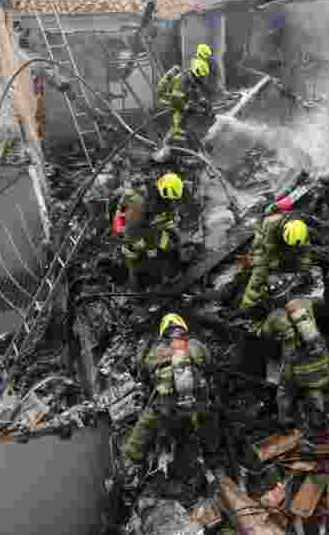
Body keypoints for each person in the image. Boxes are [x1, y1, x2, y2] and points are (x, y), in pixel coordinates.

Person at [122, 314, 212, 470]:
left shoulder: (156, 350)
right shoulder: (195, 344)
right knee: (210, 415)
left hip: (167, 406)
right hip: (197, 401)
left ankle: (132, 457)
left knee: (146, 422)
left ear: (163, 332)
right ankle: (212, 451)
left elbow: (143, 374)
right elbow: (209, 363)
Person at [259, 298, 329, 429]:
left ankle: (286, 421)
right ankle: (319, 420)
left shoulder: (274, 316)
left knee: (284, 390)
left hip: (293, 363)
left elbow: (265, 335)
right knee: (313, 389)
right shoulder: (307, 305)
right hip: (314, 361)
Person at [118, 172, 184, 290]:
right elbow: (134, 232)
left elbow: (163, 215)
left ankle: (166, 275)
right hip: (133, 237)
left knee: (166, 247)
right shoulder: (139, 205)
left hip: (145, 228)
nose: (172, 201)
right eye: (170, 198)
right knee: (138, 266)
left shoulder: (157, 195)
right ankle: (139, 293)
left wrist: (171, 228)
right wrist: (152, 246)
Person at [238, 214, 313, 312]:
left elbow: (305, 251)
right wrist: (273, 269)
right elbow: (266, 256)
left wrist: (304, 269)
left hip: (282, 239)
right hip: (264, 241)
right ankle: (246, 306)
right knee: (260, 273)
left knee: (292, 261)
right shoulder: (270, 226)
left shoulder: (300, 230)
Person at [156, 44, 214, 145]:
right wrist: (188, 107)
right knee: (181, 121)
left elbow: (195, 94)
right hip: (167, 99)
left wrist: (203, 104)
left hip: (178, 99)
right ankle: (172, 146)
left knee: (192, 113)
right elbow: (176, 101)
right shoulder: (183, 81)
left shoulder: (192, 78)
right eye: (201, 77)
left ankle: (191, 142)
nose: (203, 79)